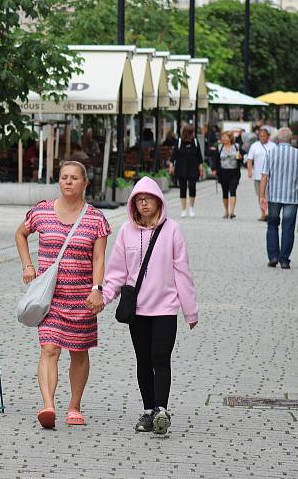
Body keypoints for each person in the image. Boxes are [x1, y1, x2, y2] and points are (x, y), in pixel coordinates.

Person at [15, 161, 111, 429]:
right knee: (49, 348)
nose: (68, 182)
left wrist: (97, 289)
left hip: (82, 298)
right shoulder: (42, 211)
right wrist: (27, 265)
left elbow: (99, 257)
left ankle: (74, 405)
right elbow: (20, 234)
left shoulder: (96, 219)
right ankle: (48, 405)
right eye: (64, 177)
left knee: (79, 352)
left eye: (74, 178)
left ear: (85, 183)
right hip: (50, 297)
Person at [102, 177, 199, 436]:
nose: (143, 203)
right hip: (138, 311)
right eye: (139, 199)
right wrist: (104, 297)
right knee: (143, 360)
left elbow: (182, 272)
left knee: (161, 358)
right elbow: (117, 272)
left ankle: (161, 410)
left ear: (159, 201)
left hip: (166, 308)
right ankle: (148, 411)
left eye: (148, 198)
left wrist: (190, 310)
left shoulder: (173, 230)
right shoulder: (125, 231)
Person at [259, 127, 298, 270]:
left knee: (272, 225)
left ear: (278, 139)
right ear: (291, 139)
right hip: (291, 197)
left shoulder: (270, 153)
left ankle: (273, 256)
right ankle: (284, 260)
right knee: (288, 228)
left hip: (274, 196)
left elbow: (264, 176)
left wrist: (262, 196)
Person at [169, 125, 204, 218]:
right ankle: (183, 209)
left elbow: (199, 156)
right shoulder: (179, 142)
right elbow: (174, 155)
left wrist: (201, 168)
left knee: (192, 187)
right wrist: (171, 165)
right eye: (190, 133)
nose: (191, 134)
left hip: (193, 168)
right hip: (181, 168)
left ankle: (191, 207)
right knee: (182, 188)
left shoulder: (195, 142)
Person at [246, 128, 277, 221]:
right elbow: (249, 159)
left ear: (268, 136)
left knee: (270, 195)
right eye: (261, 136)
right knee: (261, 195)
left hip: (271, 175)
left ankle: (269, 213)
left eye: (264, 136)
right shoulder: (254, 146)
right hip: (258, 175)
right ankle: (263, 213)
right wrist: (250, 170)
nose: (262, 138)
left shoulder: (273, 146)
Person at [212, 131, 242, 219]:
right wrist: (214, 169)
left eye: (225, 137)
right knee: (225, 192)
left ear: (230, 138)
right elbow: (215, 159)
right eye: (222, 137)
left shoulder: (236, 147)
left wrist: (241, 157)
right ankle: (226, 211)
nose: (223, 139)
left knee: (233, 190)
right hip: (223, 172)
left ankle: (232, 211)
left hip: (234, 172)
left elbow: (243, 157)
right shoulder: (219, 147)